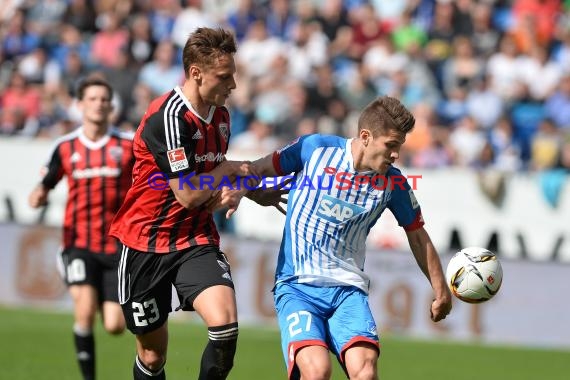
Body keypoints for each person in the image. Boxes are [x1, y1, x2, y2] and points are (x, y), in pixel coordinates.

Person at [221, 96, 453, 379]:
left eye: (399, 146)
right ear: (366, 137)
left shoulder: (393, 183)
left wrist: (441, 291)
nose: (395, 155)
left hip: (348, 291)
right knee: (317, 372)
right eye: (391, 145)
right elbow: (256, 169)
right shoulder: (315, 148)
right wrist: (245, 190)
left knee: (365, 372)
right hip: (298, 286)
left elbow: (418, 235)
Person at [108, 27, 282, 380]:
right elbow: (188, 192)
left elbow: (207, 191)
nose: (233, 85)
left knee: (225, 327)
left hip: (194, 239)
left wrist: (245, 190)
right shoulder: (168, 118)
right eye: (225, 76)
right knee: (153, 356)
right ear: (196, 73)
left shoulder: (221, 116)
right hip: (145, 243)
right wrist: (231, 169)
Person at [28, 76, 134, 380]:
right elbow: (47, 181)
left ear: (111, 106)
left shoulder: (126, 145)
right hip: (79, 242)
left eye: (104, 100)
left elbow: (150, 180)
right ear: (79, 105)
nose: (99, 104)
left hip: (117, 246)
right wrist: (38, 194)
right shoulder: (65, 147)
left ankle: (103, 292)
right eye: (93, 99)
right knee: (84, 309)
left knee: (115, 325)